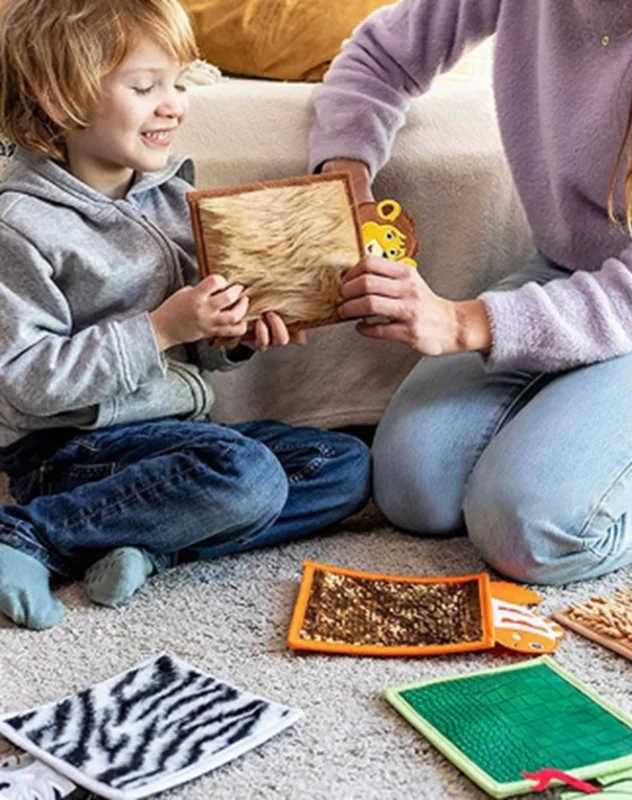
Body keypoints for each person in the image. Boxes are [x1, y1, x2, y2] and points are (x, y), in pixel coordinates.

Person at [309, 0, 632, 585]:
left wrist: (463, 323)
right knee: (414, 484)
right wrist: (346, 185)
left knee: (533, 528)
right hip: (567, 270)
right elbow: (379, 53)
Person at [0, 0, 371, 630]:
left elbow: (195, 351)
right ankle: (31, 533)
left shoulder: (171, 197)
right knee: (246, 474)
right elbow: (24, 380)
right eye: (145, 87)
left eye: (178, 81)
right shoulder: (22, 225)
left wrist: (229, 333)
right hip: (68, 451)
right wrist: (161, 328)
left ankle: (148, 546)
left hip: (173, 435)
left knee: (345, 467)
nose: (173, 104)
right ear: (59, 98)